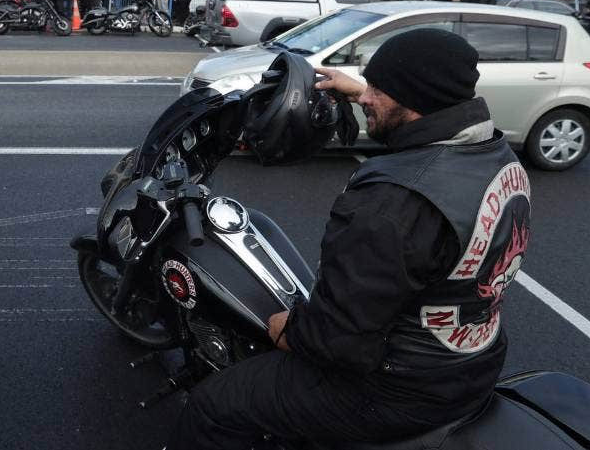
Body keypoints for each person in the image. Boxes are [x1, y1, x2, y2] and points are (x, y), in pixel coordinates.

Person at [169, 28, 531, 449]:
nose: (365, 99)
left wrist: (289, 329)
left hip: (398, 392)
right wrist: (363, 88)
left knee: (214, 405)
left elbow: (338, 342)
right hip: (471, 360)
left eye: (376, 90)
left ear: (412, 102)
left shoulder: (392, 203)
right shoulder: (494, 152)